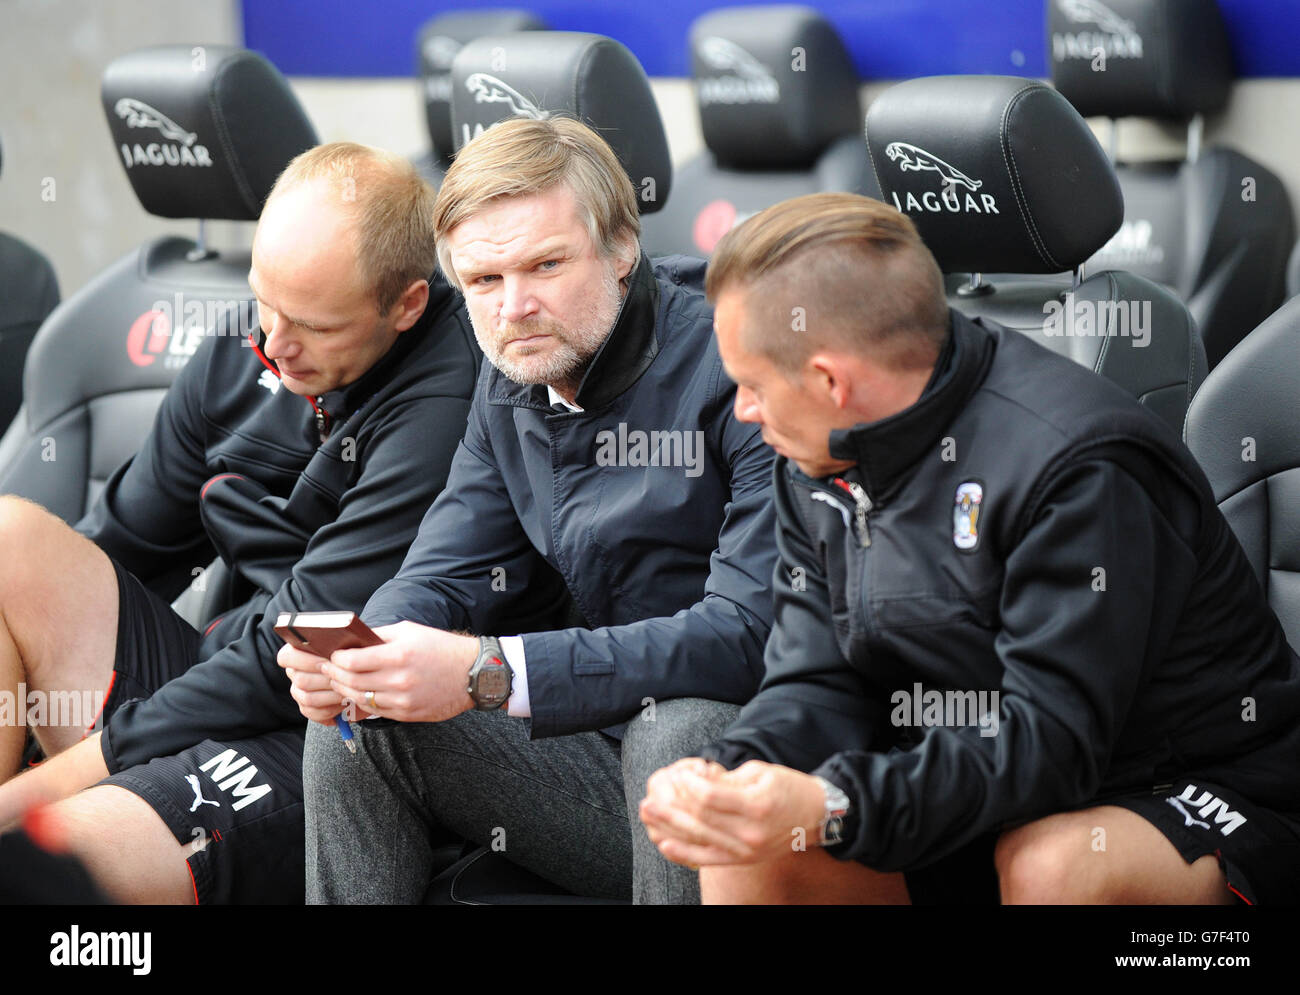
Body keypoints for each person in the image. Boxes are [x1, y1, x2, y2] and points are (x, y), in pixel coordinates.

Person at [639, 192, 1300, 905]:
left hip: (1193, 792)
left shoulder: (1080, 464)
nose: (742, 409)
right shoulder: (815, 457)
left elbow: (1049, 746)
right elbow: (815, 679)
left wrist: (836, 804)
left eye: (750, 384)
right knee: (755, 849)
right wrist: (736, 775)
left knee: (1053, 866)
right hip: (977, 780)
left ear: (831, 380)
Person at [282, 116, 778, 905]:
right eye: (484, 281)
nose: (515, 307)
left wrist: (492, 672)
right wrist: (366, 657)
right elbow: (445, 567)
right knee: (360, 724)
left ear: (621, 249)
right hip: (602, 772)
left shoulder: (740, 360)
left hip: (766, 782)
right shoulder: (514, 368)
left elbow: (751, 634)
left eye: (546, 264)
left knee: (679, 733)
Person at [0, 142, 481, 904]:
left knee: (47, 866)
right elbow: (120, 543)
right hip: (209, 675)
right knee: (9, 538)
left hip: (324, 729)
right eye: (264, 300)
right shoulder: (244, 345)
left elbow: (293, 645)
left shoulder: (446, 406)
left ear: (407, 305)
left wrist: (39, 795)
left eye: (316, 326)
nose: (273, 345)